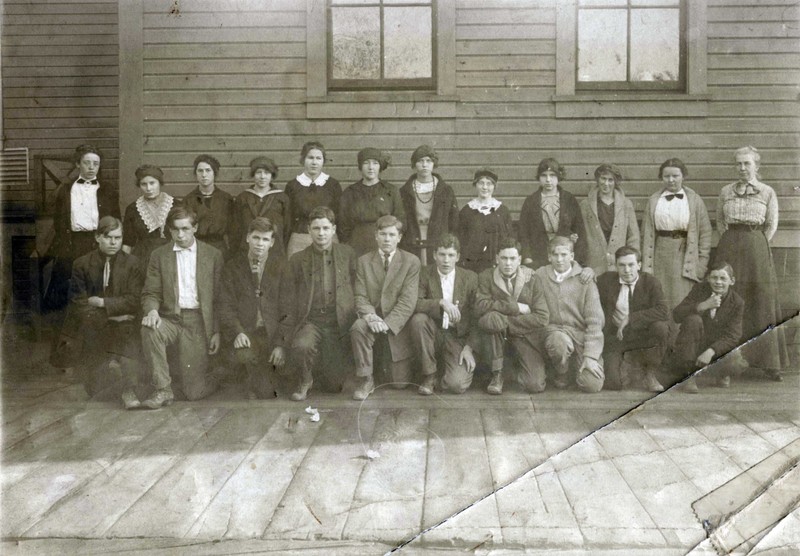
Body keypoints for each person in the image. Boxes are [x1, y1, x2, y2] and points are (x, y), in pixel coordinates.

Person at [714, 146, 788, 381]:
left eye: (747, 163)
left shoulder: (767, 192)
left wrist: (755, 243)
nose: (742, 168)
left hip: (757, 246)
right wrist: (732, 242)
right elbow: (720, 222)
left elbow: (771, 225)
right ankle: (727, 366)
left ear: (757, 166)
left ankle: (769, 363)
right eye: (738, 164)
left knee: (762, 299)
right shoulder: (726, 191)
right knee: (730, 299)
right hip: (730, 246)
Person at [140, 206, 224, 408]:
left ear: (195, 228)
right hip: (170, 319)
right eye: (175, 229)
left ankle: (219, 374)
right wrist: (152, 310)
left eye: (185, 228)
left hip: (198, 322)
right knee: (150, 329)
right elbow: (150, 291)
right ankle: (163, 389)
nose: (180, 234)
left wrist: (216, 330)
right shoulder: (159, 255)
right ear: (169, 230)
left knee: (193, 393)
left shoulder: (213, 255)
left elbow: (220, 298)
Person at [62, 216, 144, 409]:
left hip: (125, 324)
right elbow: (78, 303)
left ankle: (128, 388)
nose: (114, 243)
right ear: (97, 237)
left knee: (127, 340)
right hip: (94, 323)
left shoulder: (133, 263)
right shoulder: (81, 264)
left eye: (118, 237)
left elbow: (134, 300)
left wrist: (102, 302)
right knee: (97, 392)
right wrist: (112, 313)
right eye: (108, 237)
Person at [284, 206, 358, 400]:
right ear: (309, 230)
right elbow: (290, 298)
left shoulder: (347, 253)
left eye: (326, 228)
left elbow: (356, 287)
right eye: (316, 228)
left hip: (337, 322)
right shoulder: (298, 259)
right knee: (302, 345)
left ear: (333, 229)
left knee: (334, 386)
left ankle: (324, 369)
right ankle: (305, 379)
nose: (321, 233)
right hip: (312, 321)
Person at [350, 215, 421, 400]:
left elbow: (407, 302)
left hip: (395, 326)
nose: (387, 239)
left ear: (399, 237)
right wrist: (371, 317)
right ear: (376, 236)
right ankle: (366, 379)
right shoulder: (364, 261)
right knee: (358, 326)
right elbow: (360, 296)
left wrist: (386, 324)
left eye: (391, 234)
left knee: (399, 383)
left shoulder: (411, 261)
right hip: (372, 321)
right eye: (383, 234)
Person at [218, 217, 288, 399]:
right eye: (256, 238)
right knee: (243, 358)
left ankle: (263, 379)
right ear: (248, 238)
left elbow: (289, 309)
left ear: (272, 243)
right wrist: (237, 332)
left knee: (267, 392)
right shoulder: (233, 267)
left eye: (265, 240)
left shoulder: (281, 267)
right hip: (247, 333)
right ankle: (249, 379)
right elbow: (225, 305)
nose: (260, 244)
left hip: (271, 334)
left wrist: (281, 343)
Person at [46, 143, 120, 311]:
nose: (92, 167)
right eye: (87, 162)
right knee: (70, 286)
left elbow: (115, 220)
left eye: (96, 163)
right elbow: (59, 221)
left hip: (98, 243)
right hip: (73, 243)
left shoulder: (107, 190)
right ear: (78, 164)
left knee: (98, 285)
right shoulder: (66, 190)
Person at [475, 238, 549, 395]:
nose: (508, 263)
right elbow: (480, 306)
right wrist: (514, 307)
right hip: (495, 336)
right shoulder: (486, 277)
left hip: (524, 337)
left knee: (534, 385)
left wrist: (507, 321)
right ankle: (497, 374)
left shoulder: (532, 279)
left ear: (520, 260)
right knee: (492, 319)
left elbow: (542, 317)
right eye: (504, 258)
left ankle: (510, 371)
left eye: (512, 258)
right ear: (497, 259)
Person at [409, 234, 479, 395]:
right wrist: (440, 302)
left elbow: (477, 316)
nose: (446, 260)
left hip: (457, 337)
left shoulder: (470, 278)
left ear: (458, 257)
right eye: (442, 254)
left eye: (451, 255)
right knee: (418, 320)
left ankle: (446, 371)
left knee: (457, 385)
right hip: (433, 332)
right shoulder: (424, 274)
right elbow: (415, 303)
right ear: (434, 255)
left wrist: (469, 347)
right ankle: (429, 376)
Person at [535, 236, 605, 393]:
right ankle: (562, 371)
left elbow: (595, 322)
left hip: (579, 336)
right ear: (549, 256)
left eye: (564, 255)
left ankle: (576, 364)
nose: (559, 259)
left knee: (591, 385)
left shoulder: (585, 279)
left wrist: (591, 356)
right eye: (555, 255)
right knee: (559, 341)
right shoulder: (540, 275)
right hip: (553, 333)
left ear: (572, 256)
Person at [596, 246, 670, 392]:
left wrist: (631, 318)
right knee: (613, 384)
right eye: (622, 265)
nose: (627, 270)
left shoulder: (650, 282)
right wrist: (586, 271)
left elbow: (663, 311)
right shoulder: (606, 281)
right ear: (616, 266)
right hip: (617, 337)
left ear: (639, 265)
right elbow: (587, 281)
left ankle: (650, 373)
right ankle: (628, 365)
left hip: (643, 336)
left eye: (631, 265)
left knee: (660, 327)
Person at [641, 158, 711, 310]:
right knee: (661, 299)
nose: (671, 180)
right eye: (666, 176)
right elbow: (646, 236)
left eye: (675, 176)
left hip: (685, 255)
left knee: (682, 301)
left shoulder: (694, 200)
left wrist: (701, 266)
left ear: (683, 176)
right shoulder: (653, 200)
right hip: (660, 254)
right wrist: (646, 268)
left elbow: (705, 235)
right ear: (661, 177)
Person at [673, 261, 744, 392]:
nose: (718, 282)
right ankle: (689, 375)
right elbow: (676, 315)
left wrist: (711, 351)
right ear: (708, 279)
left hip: (715, 349)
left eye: (723, 278)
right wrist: (702, 306)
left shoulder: (737, 302)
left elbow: (733, 336)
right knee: (693, 320)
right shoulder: (699, 291)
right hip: (695, 345)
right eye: (714, 277)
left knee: (737, 361)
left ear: (732, 281)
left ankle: (721, 373)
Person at [519, 158, 588, 272]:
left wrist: (578, 260)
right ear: (539, 178)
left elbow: (580, 232)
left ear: (559, 177)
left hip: (563, 259)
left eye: (552, 175)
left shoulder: (569, 199)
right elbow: (523, 233)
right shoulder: (531, 201)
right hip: (538, 258)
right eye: (544, 175)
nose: (548, 180)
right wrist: (527, 258)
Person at [399, 145, 459, 266]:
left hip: (438, 244)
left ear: (434, 164)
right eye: (420, 161)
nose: (424, 165)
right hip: (412, 244)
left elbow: (454, 222)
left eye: (428, 161)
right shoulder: (404, 191)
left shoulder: (446, 191)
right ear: (414, 164)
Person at [339, 148, 404, 257]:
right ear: (360, 166)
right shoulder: (350, 192)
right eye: (366, 163)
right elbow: (343, 224)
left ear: (380, 166)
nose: (371, 167)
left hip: (385, 244)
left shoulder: (390, 191)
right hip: (357, 246)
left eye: (375, 163)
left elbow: (400, 219)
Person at [580, 163, 640, 276]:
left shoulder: (626, 204)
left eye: (610, 180)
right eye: (603, 178)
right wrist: (584, 265)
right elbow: (581, 236)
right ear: (598, 179)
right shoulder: (586, 205)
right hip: (594, 265)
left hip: (619, 265)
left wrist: (632, 261)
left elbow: (633, 237)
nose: (606, 183)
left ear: (615, 182)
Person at [284, 141, 342, 257]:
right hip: (299, 238)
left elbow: (339, 216)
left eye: (318, 158)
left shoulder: (333, 185)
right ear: (303, 160)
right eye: (310, 158)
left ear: (323, 161)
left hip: (326, 237)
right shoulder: (292, 186)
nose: (314, 162)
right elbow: (288, 218)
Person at [457, 168, 513, 274]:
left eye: (489, 184)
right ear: (475, 185)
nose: (485, 187)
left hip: (497, 265)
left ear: (494, 186)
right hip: (472, 266)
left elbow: (509, 238)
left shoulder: (502, 211)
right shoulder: (467, 211)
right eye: (481, 183)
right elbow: (461, 239)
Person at [232, 156, 290, 259]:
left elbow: (287, 228)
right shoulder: (243, 198)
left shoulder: (282, 198)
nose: (262, 176)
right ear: (253, 174)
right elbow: (236, 229)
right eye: (259, 172)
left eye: (267, 173)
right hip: (247, 251)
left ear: (272, 176)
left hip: (274, 252)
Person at [122, 164, 174, 269]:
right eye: (144, 184)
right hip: (142, 259)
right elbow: (128, 242)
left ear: (160, 183)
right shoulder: (132, 209)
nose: (148, 188)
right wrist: (123, 266)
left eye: (152, 183)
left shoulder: (175, 205)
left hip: (170, 256)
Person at [182, 154, 235, 258]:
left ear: (214, 173)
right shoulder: (189, 200)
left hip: (220, 249)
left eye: (208, 170)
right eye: (200, 171)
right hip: (196, 249)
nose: (204, 175)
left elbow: (233, 229)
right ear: (196, 174)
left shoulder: (226, 199)